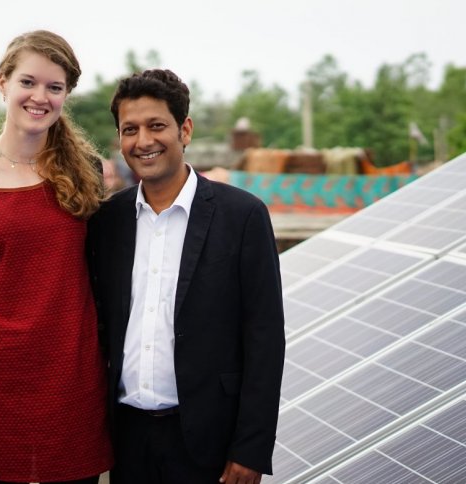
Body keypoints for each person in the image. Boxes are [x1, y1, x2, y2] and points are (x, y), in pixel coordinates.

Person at [0, 30, 113, 483]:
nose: (40, 97)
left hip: (75, 390)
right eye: (28, 82)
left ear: (66, 95)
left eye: (55, 87)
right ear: (3, 82)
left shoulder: (85, 171)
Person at [89, 69, 285, 484]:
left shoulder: (243, 216)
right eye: (130, 129)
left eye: (156, 125)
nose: (143, 141)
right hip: (126, 440)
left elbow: (265, 337)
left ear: (185, 130)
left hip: (209, 441)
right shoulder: (107, 221)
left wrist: (250, 448)